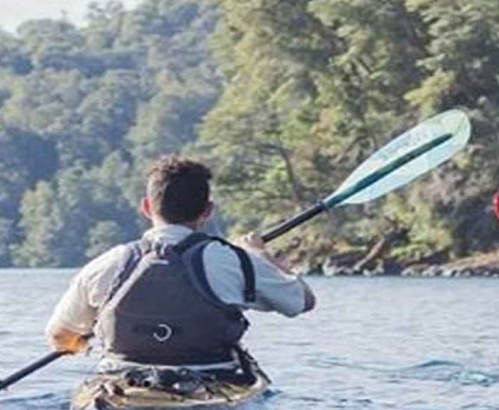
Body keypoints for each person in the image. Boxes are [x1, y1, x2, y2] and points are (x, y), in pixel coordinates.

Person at [45, 156, 316, 371]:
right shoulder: (234, 260)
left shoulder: (108, 263)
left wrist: (86, 342)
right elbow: (303, 302)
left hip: (122, 381)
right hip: (211, 378)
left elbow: (59, 336)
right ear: (207, 212)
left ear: (147, 207)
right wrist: (260, 255)